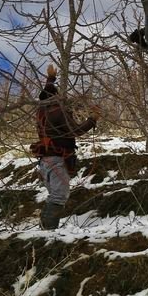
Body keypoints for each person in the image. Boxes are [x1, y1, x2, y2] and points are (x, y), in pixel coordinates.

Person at [30, 64, 97, 229]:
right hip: (57, 160)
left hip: (45, 161)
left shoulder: (41, 111)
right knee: (59, 197)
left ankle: (44, 231)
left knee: (54, 195)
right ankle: (47, 232)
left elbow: (47, 92)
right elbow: (77, 130)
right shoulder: (58, 111)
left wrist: (50, 79)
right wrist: (93, 119)